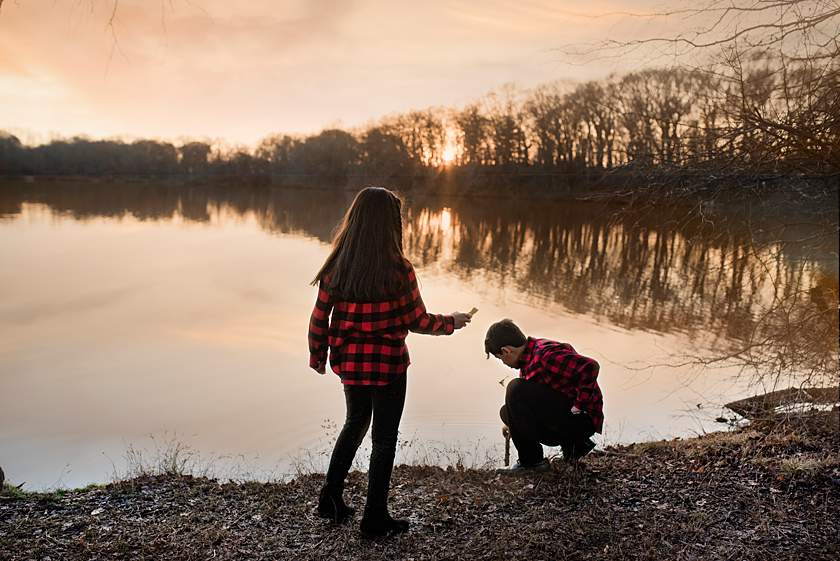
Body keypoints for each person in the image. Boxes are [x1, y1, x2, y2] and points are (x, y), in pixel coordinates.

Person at [308, 187, 472, 537]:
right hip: (388, 367)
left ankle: (330, 499)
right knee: (383, 439)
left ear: (355, 220)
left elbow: (319, 317)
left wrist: (318, 356)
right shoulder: (399, 269)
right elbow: (417, 320)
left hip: (350, 364)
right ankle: (374, 518)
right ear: (391, 224)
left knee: (354, 423)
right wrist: (452, 323)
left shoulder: (337, 265)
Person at [485, 319, 604, 473]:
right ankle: (575, 445)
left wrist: (579, 406)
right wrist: (513, 425)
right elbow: (536, 400)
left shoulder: (544, 355)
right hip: (565, 417)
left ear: (506, 351)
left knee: (515, 387)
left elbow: (590, 367)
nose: (503, 363)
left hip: (581, 420)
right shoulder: (528, 359)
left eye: (500, 358)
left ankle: (532, 462)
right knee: (506, 411)